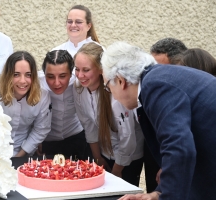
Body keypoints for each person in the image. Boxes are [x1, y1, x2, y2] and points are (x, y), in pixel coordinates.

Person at [101, 41, 216, 200]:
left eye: (107, 86)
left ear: (121, 81)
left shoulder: (155, 84)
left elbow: (179, 148)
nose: (110, 93)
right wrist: (157, 194)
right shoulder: (158, 78)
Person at [73, 42, 144, 186]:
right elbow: (89, 125)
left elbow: (128, 137)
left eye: (86, 70)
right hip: (104, 153)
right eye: (77, 69)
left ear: (101, 70)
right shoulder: (79, 89)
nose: (80, 75)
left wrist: (117, 170)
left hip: (128, 159)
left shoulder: (115, 94)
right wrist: (97, 156)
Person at [0, 51, 52, 157]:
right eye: (16, 75)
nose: (23, 81)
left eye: (28, 75)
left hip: (24, 154)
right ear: (8, 75)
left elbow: (41, 129)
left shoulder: (42, 96)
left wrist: (19, 156)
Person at [37, 50, 89, 159]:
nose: (56, 83)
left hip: (75, 137)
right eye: (50, 77)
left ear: (71, 73)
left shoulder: (79, 82)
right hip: (46, 142)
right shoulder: (36, 83)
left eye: (62, 76)